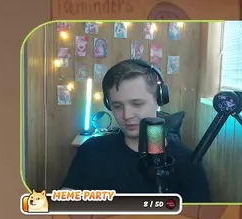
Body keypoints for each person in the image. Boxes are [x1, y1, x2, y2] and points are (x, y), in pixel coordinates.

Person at [61, 59, 211, 202]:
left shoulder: (188, 162)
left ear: (158, 100)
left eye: (137, 104)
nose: (127, 115)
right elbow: (65, 204)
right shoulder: (91, 151)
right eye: (117, 106)